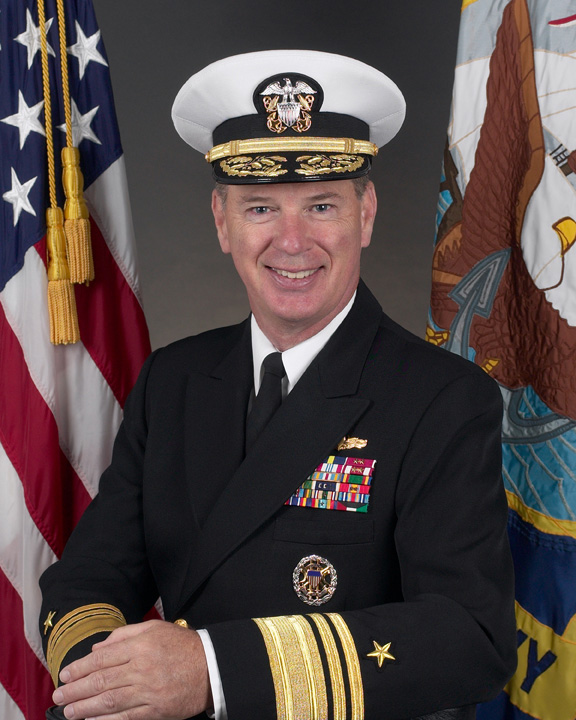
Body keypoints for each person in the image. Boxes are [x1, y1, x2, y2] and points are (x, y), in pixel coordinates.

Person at [40, 50, 517, 720]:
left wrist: (211, 671)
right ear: (221, 221)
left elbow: (470, 637)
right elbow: (87, 579)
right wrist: (112, 684)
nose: (292, 241)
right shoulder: (174, 381)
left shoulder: (443, 399)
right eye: (260, 207)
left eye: (322, 205)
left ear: (366, 214)